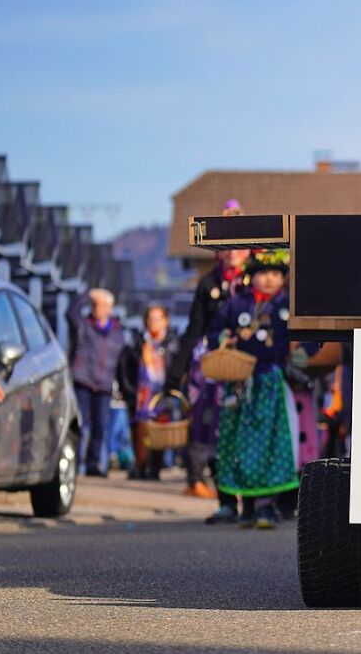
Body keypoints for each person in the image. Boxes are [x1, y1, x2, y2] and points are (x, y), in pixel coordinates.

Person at [208, 249, 303, 529]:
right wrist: (225, 337)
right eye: (263, 273)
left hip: (270, 383)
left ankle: (265, 504)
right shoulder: (237, 304)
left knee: (270, 443)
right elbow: (214, 332)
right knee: (232, 442)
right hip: (238, 381)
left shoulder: (287, 306)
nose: (269, 279)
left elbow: (302, 340)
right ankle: (234, 503)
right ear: (252, 277)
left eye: (275, 273)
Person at [164, 200, 251, 507]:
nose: (232, 253)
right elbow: (194, 328)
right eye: (226, 247)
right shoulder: (207, 283)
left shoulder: (258, 279)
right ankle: (214, 487)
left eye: (237, 246)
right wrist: (175, 372)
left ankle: (255, 495)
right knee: (210, 424)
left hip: (249, 362)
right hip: (213, 363)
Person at [68, 288, 125, 477]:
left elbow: (123, 363)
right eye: (95, 305)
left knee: (100, 427)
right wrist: (88, 294)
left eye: (101, 305)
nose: (97, 308)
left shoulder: (117, 334)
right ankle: (74, 464)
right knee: (80, 425)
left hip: (104, 385)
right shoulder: (83, 325)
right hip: (82, 381)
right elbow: (70, 313)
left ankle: (94, 465)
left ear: (110, 308)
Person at [121, 305, 181, 480]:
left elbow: (179, 368)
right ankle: (140, 466)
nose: (154, 323)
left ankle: (155, 469)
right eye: (151, 319)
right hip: (142, 397)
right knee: (141, 433)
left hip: (163, 394)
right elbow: (124, 369)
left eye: (158, 319)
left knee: (159, 433)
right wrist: (129, 391)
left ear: (166, 321)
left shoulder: (174, 343)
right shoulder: (136, 343)